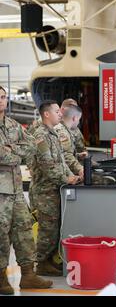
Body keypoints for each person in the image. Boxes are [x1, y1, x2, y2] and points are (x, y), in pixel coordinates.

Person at [0, 86, 53, 295]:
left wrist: (13, 150)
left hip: (15, 190)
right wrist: (14, 153)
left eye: (3, 97)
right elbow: (4, 157)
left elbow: (31, 145)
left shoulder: (13, 125)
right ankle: (1, 276)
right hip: (1, 193)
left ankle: (28, 276)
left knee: (24, 231)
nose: (2, 101)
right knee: (1, 235)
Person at [29, 101, 80, 276]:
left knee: (55, 228)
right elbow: (48, 165)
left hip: (55, 189)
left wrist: (73, 176)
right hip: (45, 191)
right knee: (47, 230)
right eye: (57, 111)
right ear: (46, 114)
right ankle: (41, 263)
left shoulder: (53, 134)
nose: (60, 114)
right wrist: (67, 178)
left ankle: (49, 260)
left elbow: (62, 161)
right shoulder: (41, 135)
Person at [54, 104, 84, 179]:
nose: (78, 122)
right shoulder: (62, 132)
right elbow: (65, 155)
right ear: (74, 118)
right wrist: (80, 169)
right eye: (79, 119)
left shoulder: (64, 130)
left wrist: (77, 155)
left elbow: (59, 153)